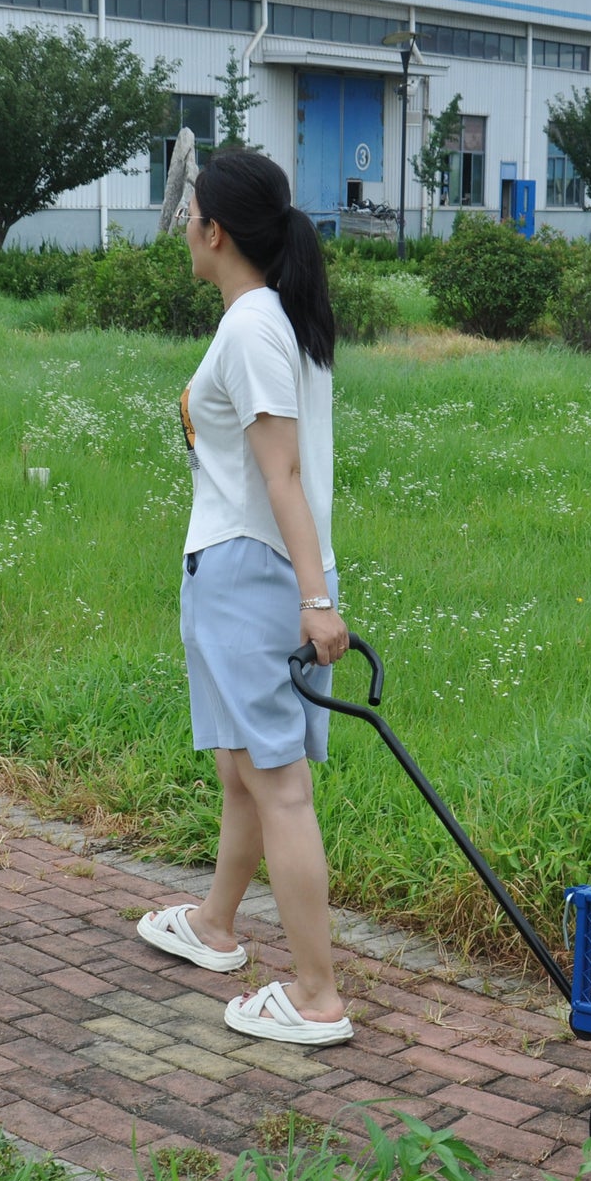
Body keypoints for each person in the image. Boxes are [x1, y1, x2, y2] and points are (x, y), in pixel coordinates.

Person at [137, 150, 353, 1046]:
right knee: (243, 767)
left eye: (189, 211)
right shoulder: (268, 317)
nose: (183, 225)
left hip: (254, 574)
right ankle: (218, 927)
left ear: (214, 230)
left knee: (279, 785)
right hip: (249, 571)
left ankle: (315, 996)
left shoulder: (255, 326)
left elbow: (283, 475)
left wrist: (315, 598)